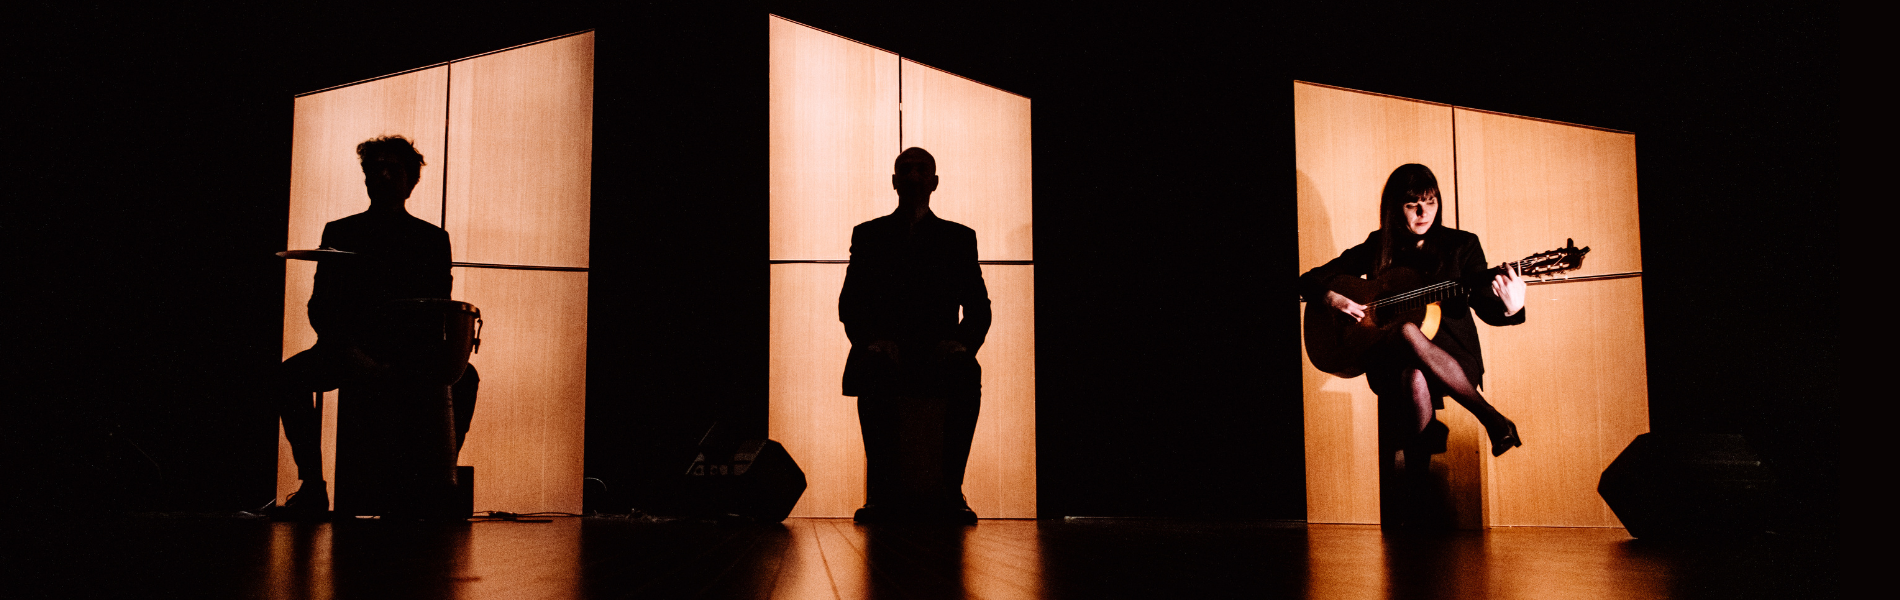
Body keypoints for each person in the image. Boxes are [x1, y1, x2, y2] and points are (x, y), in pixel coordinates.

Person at [1297, 163, 1525, 525]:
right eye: (1412, 205)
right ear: (1394, 208)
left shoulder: (1462, 245)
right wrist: (1333, 299)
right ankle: (1492, 420)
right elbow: (1307, 281)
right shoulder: (1378, 246)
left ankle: (1420, 484)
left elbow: (1486, 307)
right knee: (1406, 345)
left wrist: (1512, 307)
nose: (1424, 213)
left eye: (1431, 202)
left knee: (1413, 365)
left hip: (1453, 356)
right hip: (1390, 358)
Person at [269, 135, 479, 519]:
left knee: (465, 379)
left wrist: (403, 360)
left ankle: (437, 478)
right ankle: (312, 485)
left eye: (393, 168)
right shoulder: (339, 231)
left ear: (411, 181)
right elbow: (321, 305)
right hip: (346, 349)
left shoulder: (432, 240)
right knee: (289, 377)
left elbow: (436, 311)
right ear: (365, 177)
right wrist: (349, 351)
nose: (381, 175)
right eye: (373, 168)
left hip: (409, 354)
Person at [840, 147, 992, 525]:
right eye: (904, 170)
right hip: (885, 346)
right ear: (894, 181)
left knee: (965, 371)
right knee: (874, 368)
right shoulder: (869, 234)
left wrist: (960, 343)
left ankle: (950, 489)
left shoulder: (959, 238)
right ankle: (881, 492)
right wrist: (872, 340)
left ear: (934, 182)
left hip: (938, 349)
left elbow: (979, 307)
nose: (912, 176)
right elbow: (850, 303)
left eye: (920, 170)